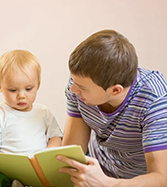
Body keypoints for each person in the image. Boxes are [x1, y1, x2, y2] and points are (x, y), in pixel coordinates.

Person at [58, 29, 167, 187]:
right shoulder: (79, 85)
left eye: (82, 87)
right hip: (98, 171)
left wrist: (108, 184)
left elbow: (161, 178)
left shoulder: (154, 101)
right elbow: (72, 152)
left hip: (136, 181)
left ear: (115, 90)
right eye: (74, 81)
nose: (73, 89)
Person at [0, 49, 62, 187]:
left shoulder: (43, 113)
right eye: (13, 90)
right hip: (4, 168)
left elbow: (55, 137)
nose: (21, 96)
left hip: (35, 169)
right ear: (0, 86)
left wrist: (48, 152)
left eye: (28, 89)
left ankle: (18, 184)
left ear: (38, 85)